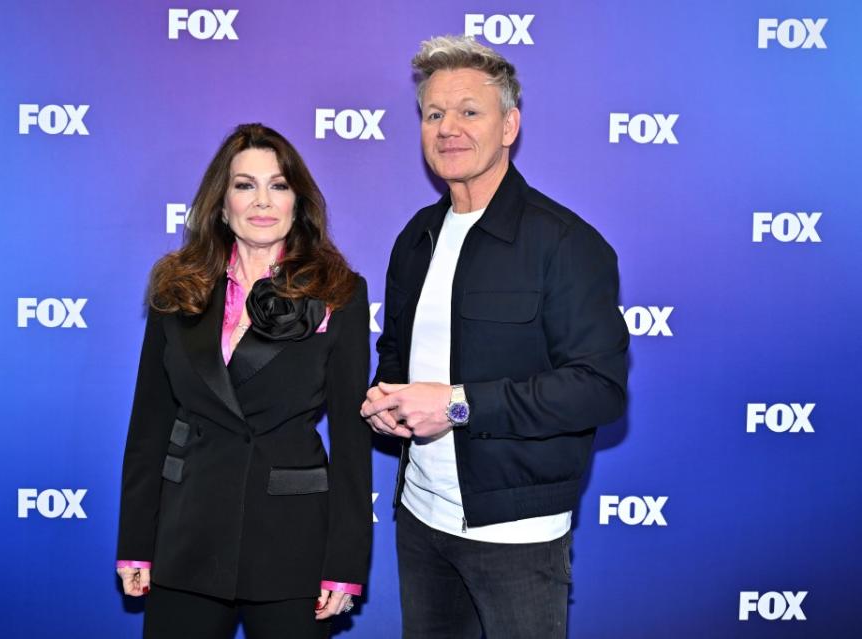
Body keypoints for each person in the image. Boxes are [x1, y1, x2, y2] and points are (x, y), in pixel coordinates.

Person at [361, 36, 629, 639]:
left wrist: (456, 403)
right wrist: (384, 401)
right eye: (434, 114)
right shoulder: (417, 238)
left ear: (509, 125)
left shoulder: (564, 243)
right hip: (421, 520)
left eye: (469, 111)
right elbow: (396, 359)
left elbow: (598, 390)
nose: (448, 128)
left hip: (517, 536)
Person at [117, 123, 372, 639]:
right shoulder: (178, 285)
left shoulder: (339, 291)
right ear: (221, 202)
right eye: (244, 185)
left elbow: (351, 436)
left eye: (278, 185)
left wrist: (345, 563)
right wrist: (136, 544)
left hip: (290, 539)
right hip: (189, 533)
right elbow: (149, 425)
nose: (262, 201)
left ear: (298, 202)